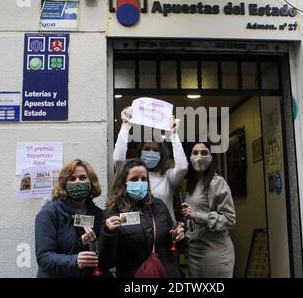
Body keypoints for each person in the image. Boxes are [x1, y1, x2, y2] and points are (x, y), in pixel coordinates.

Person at [100, 158, 185, 278]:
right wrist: (108, 233)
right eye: (134, 179)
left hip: (166, 272)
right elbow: (106, 262)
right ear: (122, 183)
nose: (140, 182)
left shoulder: (158, 205)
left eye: (143, 179)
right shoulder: (113, 213)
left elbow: (176, 246)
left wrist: (179, 237)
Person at [113, 106, 188, 221]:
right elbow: (118, 159)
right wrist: (126, 125)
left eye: (155, 150)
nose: (151, 153)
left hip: (165, 230)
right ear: (140, 152)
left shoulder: (167, 176)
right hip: (136, 229)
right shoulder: (130, 173)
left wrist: (174, 135)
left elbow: (182, 167)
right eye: (147, 149)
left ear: (161, 154)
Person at [35, 159, 106, 278]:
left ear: (91, 182)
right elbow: (44, 258)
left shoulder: (97, 214)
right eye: (72, 179)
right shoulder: (49, 212)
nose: (77, 182)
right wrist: (75, 261)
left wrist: (88, 243)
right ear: (64, 184)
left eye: (83, 178)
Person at [181, 142, 236, 278]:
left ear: (212, 157)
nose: (199, 156)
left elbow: (229, 219)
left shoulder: (217, 182)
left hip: (214, 253)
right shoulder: (192, 183)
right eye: (195, 153)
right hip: (194, 252)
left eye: (204, 153)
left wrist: (197, 216)